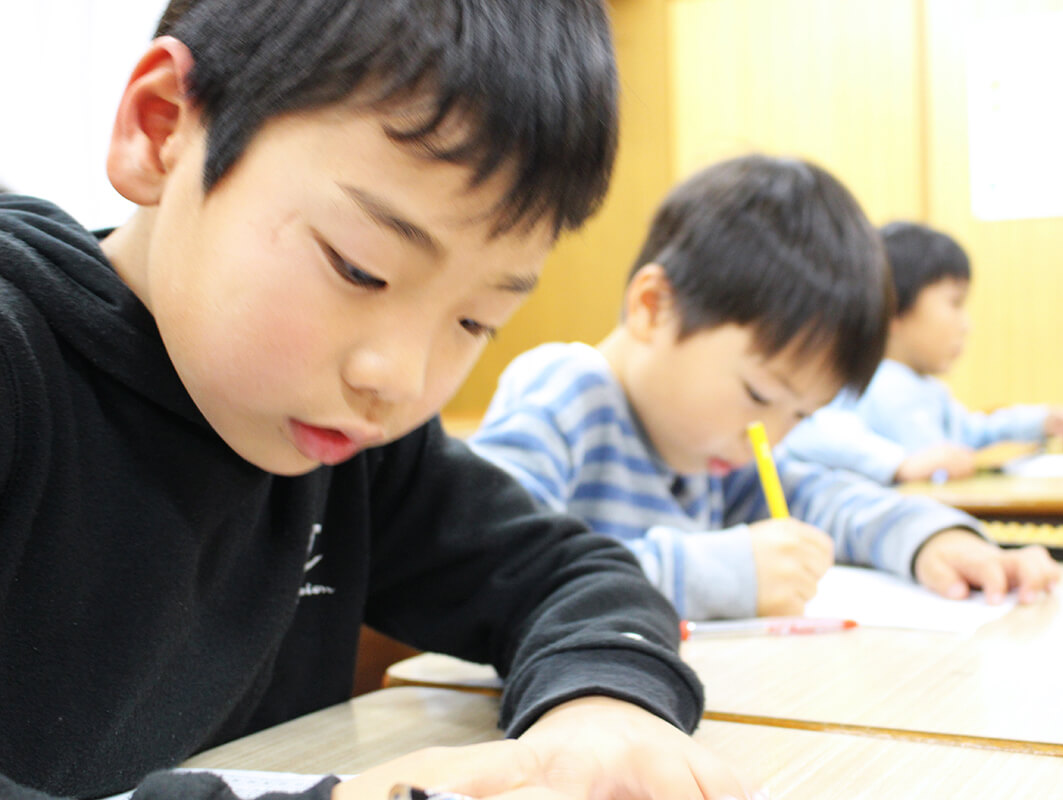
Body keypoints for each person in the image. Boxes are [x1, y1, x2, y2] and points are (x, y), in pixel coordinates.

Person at [0, 2, 756, 799]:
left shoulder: (351, 446)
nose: (399, 380)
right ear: (161, 129)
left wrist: (604, 707)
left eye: (475, 320)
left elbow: (571, 573)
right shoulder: (22, 370)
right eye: (360, 268)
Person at [468, 156, 1059, 626]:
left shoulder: (716, 453)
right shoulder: (564, 393)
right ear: (653, 308)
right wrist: (712, 573)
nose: (769, 437)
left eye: (801, 414)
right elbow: (490, 567)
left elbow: (823, 497)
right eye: (758, 393)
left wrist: (932, 538)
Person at [783, 221, 1063, 485]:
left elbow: (971, 432)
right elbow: (812, 430)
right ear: (892, 309)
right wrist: (900, 463)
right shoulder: (869, 383)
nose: (966, 326)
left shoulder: (926, 389)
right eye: (954, 304)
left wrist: (1041, 421)